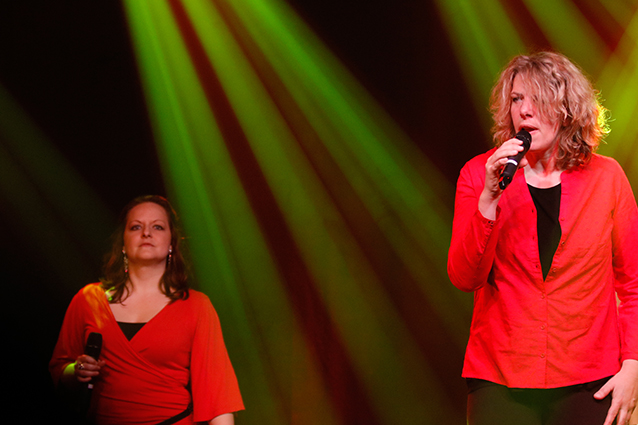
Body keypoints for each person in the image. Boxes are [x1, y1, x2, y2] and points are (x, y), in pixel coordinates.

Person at [448, 51, 638, 425]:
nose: (524, 110)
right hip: (501, 380)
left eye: (538, 98)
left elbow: (634, 283)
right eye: (517, 99)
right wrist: (488, 199)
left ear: (567, 109)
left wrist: (633, 365)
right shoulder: (478, 174)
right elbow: (464, 277)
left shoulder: (607, 178)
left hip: (589, 380)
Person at [50, 195, 244, 424]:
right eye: (136, 227)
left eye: (158, 227)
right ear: (123, 244)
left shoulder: (196, 306)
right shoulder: (88, 300)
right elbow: (59, 369)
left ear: (171, 243)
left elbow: (218, 396)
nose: (146, 233)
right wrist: (78, 370)